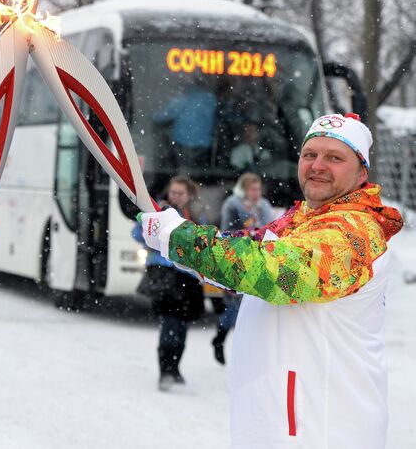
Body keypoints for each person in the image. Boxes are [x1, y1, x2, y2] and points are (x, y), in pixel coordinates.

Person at [140, 113, 403, 447]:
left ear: (361, 170)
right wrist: (173, 235)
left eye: (334, 157)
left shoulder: (354, 232)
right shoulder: (300, 220)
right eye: (310, 154)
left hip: (322, 429)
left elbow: (278, 275)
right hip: (281, 424)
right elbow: (237, 254)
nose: (318, 165)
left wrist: (181, 239)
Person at [132, 175, 205, 391]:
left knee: (182, 326)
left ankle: (175, 368)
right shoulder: (159, 212)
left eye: (181, 193)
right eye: (174, 192)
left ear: (189, 195)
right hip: (166, 275)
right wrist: (156, 235)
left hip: (188, 277)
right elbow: (138, 233)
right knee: (170, 323)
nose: (176, 197)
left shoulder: (195, 215)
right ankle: (165, 370)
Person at [212, 172, 274, 365]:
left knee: (251, 308)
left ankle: (245, 352)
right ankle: (220, 338)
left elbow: (271, 228)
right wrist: (249, 230)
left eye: (258, 189)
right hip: (237, 260)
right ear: (244, 189)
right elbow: (227, 231)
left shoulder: (263, 205)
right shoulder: (233, 204)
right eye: (252, 189)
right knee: (235, 307)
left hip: (260, 261)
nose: (256, 193)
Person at [153, 76, 216, 168]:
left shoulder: (182, 99)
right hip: (204, 144)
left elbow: (162, 117)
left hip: (183, 143)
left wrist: (150, 116)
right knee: (199, 173)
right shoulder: (211, 99)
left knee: (183, 171)